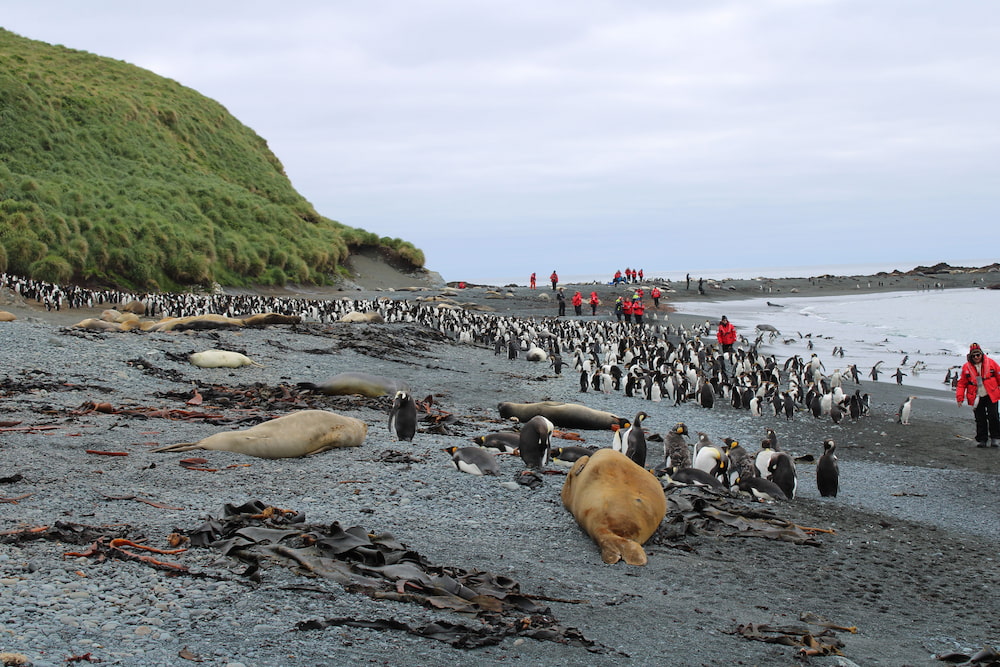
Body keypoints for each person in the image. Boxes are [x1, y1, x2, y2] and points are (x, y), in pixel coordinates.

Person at [956, 342, 1000, 447]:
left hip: (991, 393)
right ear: (970, 356)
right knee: (980, 418)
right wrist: (960, 397)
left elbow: (999, 376)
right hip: (976, 396)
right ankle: (982, 439)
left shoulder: (991, 363)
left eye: (978, 355)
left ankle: (995, 438)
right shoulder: (966, 367)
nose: (976, 357)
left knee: (993, 416)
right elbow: (961, 384)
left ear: (982, 354)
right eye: (974, 355)